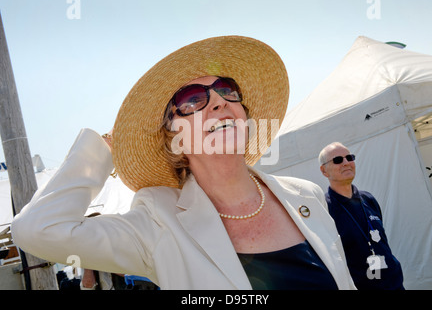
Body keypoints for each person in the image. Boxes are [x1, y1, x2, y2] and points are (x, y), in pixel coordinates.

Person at [11, 36, 355, 290]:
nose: (219, 102)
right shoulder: (157, 225)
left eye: (227, 89)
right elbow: (36, 230)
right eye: (193, 100)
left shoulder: (306, 196)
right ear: (173, 138)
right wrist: (103, 149)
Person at [319, 142, 404, 290]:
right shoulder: (324, 209)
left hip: (394, 284)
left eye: (349, 157)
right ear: (324, 171)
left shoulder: (368, 199)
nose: (346, 163)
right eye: (338, 160)